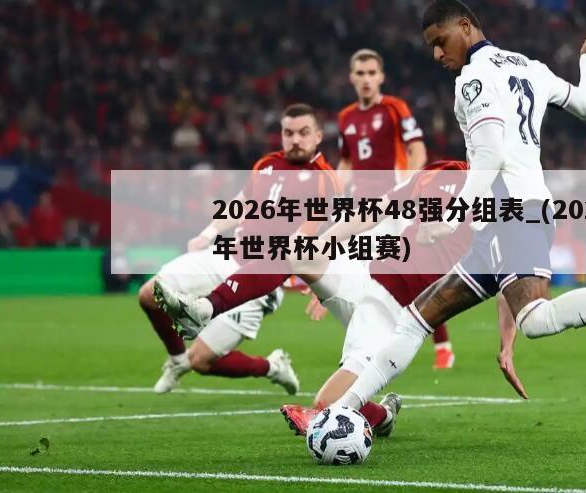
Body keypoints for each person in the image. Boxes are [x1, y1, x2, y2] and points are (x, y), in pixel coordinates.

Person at [328, 0, 586, 413]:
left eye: (440, 41)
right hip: (509, 216)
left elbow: (492, 153)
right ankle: (342, 410)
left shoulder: (473, 79)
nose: (437, 54)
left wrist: (452, 217)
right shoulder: (530, 67)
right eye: (432, 47)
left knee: (535, 320)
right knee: (414, 319)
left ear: (465, 26)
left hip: (510, 211)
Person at [154, 161, 508, 436]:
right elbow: (374, 210)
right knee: (295, 252)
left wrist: (507, 344)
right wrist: (324, 243)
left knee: (325, 406)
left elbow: (509, 279)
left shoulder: (503, 202)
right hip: (365, 274)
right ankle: (205, 308)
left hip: (396, 313)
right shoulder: (440, 171)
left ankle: (380, 416)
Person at [139, 103, 335, 394]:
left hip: (260, 279)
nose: (295, 140)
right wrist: (208, 233)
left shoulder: (325, 179)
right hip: (226, 254)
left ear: (318, 136)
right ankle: (177, 360)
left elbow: (309, 233)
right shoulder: (267, 164)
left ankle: (272, 367)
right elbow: (242, 203)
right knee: (149, 294)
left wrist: (317, 283)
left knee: (201, 361)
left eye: (303, 133)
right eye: (289, 133)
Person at [336, 48, 455, 369]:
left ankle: (442, 345)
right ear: (351, 77)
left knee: (416, 274)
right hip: (363, 210)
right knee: (367, 279)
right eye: (360, 73)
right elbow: (346, 162)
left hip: (394, 207)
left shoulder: (394, 108)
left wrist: (407, 188)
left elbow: (418, 151)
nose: (366, 79)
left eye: (371, 73)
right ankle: (370, 346)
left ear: (381, 77)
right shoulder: (346, 117)